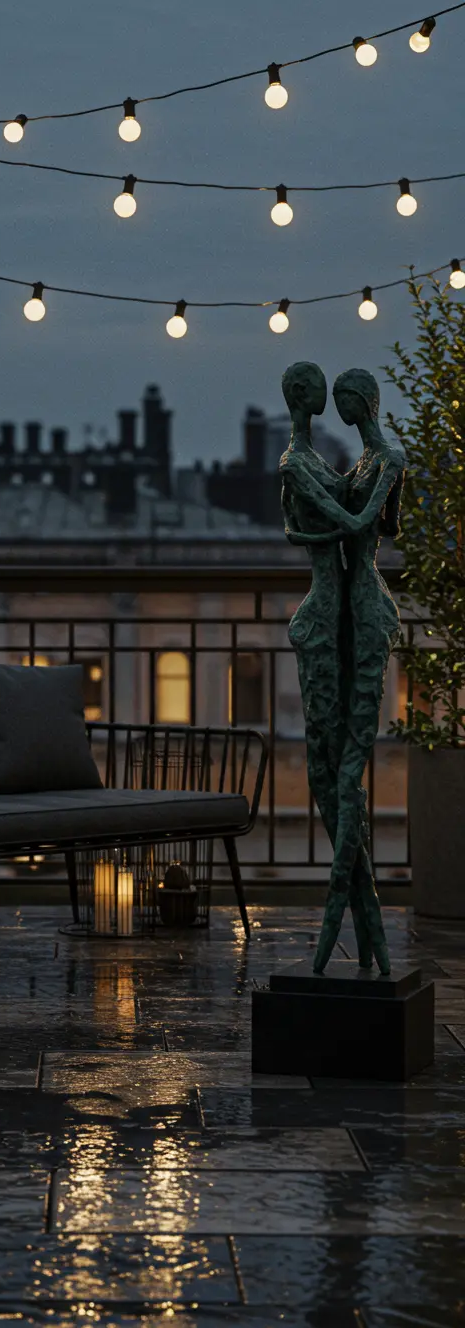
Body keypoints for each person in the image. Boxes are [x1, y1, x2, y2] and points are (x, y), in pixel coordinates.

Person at [279, 363, 399, 972]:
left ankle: (345, 927)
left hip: (356, 620)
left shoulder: (381, 459)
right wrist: (329, 533)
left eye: (343, 395)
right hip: (328, 622)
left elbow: (353, 524)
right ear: (303, 397)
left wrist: (326, 532)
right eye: (323, 392)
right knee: (332, 774)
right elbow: (338, 523)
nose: (334, 404)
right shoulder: (299, 461)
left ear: (361, 401)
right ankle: (363, 933)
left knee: (344, 771)